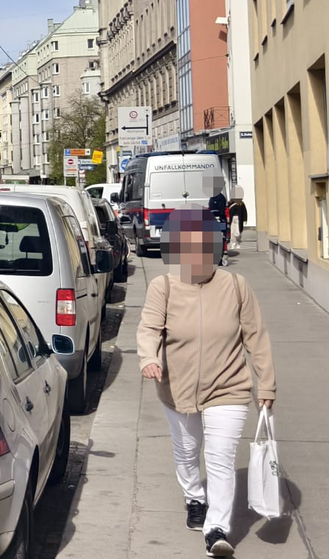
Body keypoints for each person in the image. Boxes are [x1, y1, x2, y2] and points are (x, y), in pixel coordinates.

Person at [137, 209, 275, 557]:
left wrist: (267, 384)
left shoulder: (235, 286)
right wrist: (149, 358)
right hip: (177, 388)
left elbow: (255, 336)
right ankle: (194, 497)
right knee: (186, 452)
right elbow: (150, 328)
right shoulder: (163, 287)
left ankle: (217, 529)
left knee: (220, 458)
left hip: (228, 387)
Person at [227, 188, 249, 254]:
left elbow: (244, 212)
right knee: (232, 232)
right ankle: (233, 244)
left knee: (238, 233)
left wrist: (245, 219)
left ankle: (238, 242)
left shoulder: (241, 203)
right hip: (232, 219)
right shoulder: (230, 203)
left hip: (239, 219)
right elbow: (227, 211)